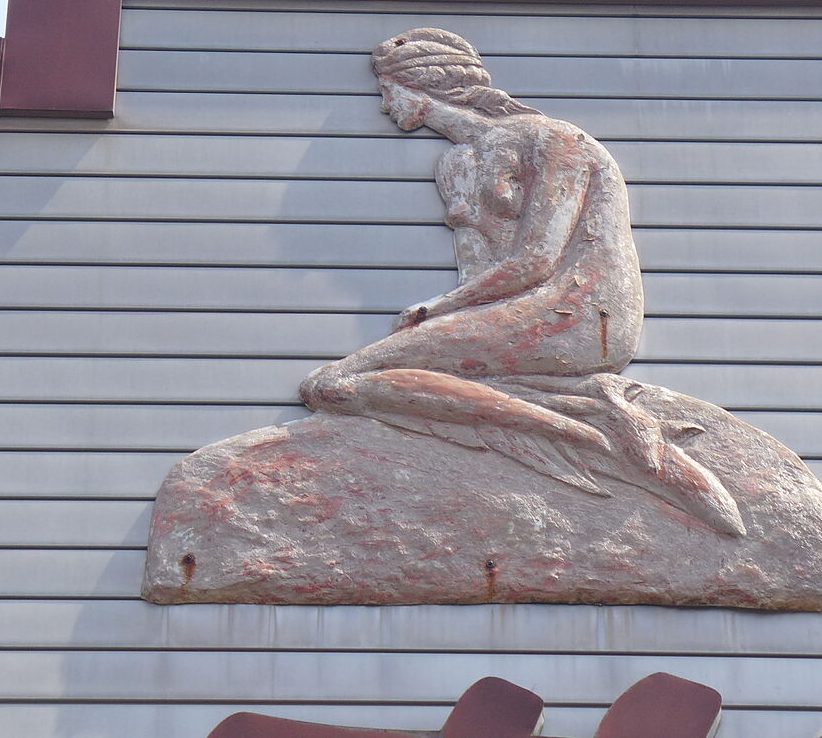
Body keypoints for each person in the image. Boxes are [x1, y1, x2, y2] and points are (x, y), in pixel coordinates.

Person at [300, 29, 743, 536]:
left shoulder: (554, 141)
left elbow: (537, 259)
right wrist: (446, 316)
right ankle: (584, 419)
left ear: (422, 83)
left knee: (335, 383)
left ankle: (591, 434)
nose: (384, 106)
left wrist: (439, 309)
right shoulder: (456, 164)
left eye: (388, 91)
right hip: (511, 310)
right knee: (331, 388)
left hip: (578, 311)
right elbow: (480, 267)